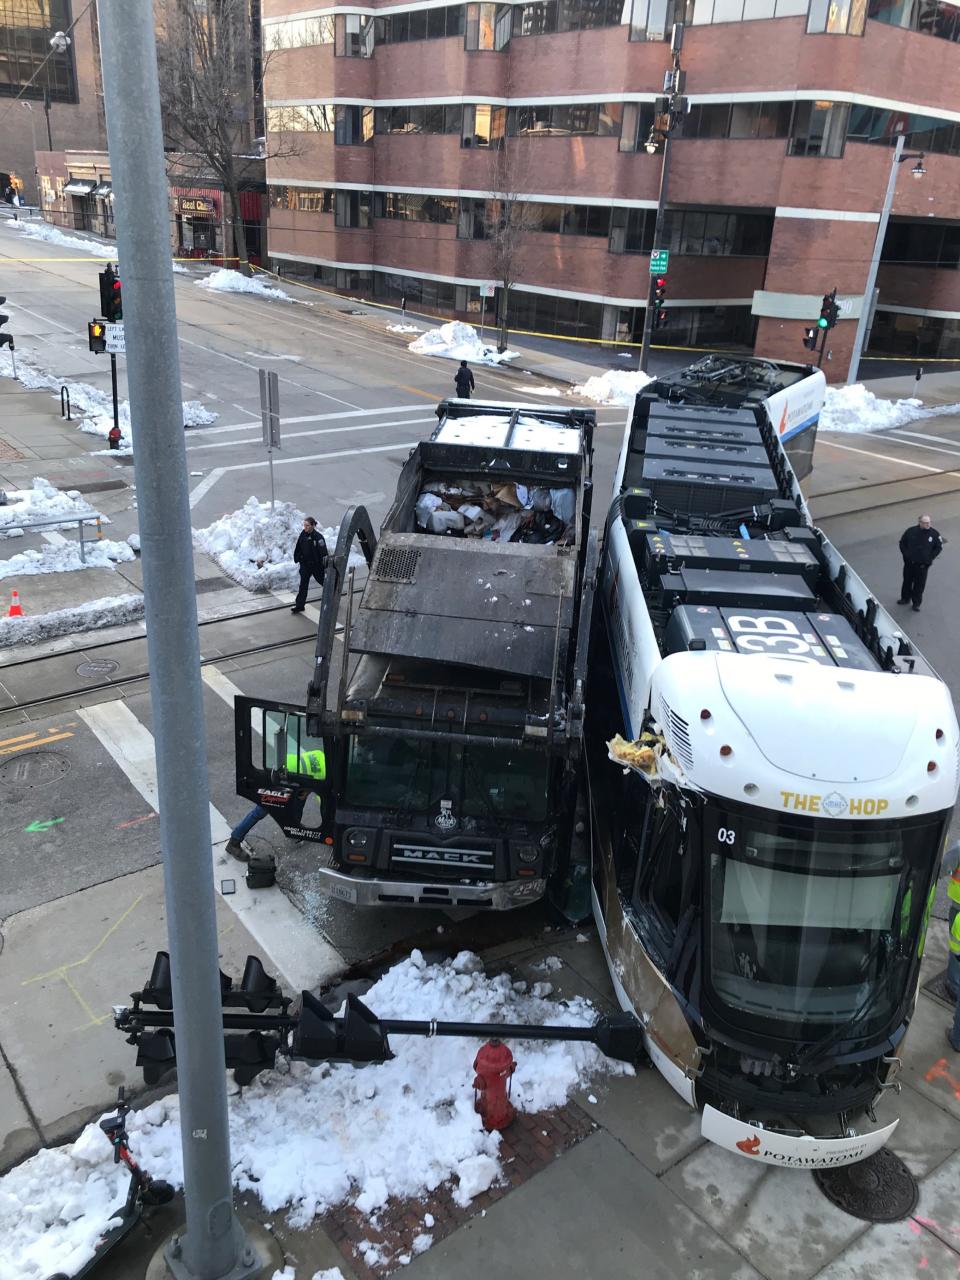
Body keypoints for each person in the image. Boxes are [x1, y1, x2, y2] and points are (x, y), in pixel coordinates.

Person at [226, 744, 326, 860]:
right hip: (282, 781)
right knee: (260, 811)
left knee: (298, 803)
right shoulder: (326, 775)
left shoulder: (320, 755)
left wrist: (305, 791)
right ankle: (234, 842)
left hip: (283, 772)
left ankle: (294, 831)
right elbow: (324, 803)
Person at [898, 513, 943, 612]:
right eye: (925, 523)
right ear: (920, 523)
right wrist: (906, 555)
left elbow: (938, 547)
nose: (928, 524)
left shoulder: (934, 534)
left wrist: (930, 558)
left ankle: (916, 603)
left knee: (919, 585)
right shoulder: (910, 531)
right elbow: (902, 543)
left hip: (923, 566)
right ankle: (905, 598)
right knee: (907, 582)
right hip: (910, 564)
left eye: (929, 522)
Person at [292, 516, 328, 614]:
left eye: (307, 525)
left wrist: (325, 566)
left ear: (313, 526)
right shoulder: (303, 535)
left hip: (316, 566)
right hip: (305, 565)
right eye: (304, 525)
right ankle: (299, 605)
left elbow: (324, 553)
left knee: (324, 582)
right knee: (303, 585)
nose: (305, 527)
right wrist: (298, 558)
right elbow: (298, 547)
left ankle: (332, 598)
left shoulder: (318, 537)